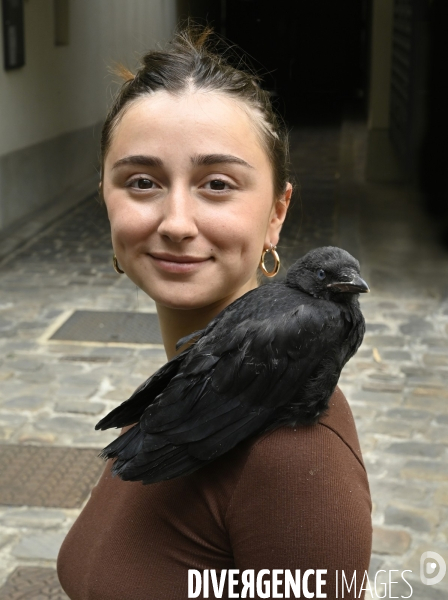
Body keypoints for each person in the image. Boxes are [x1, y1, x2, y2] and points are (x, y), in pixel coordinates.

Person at [57, 26, 372, 600]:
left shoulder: (293, 461)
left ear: (277, 212)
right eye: (143, 181)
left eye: (218, 183)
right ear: (104, 195)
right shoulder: (196, 384)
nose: (176, 222)